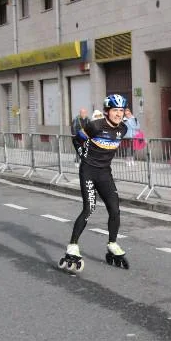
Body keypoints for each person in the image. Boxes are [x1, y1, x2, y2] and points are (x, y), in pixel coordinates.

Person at [58, 94, 131, 273]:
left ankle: (112, 243)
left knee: (115, 209)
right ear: (107, 111)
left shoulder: (123, 129)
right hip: (88, 172)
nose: (118, 114)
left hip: (105, 173)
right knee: (89, 208)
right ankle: (72, 246)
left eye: (121, 111)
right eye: (115, 110)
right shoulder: (96, 126)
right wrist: (82, 155)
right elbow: (77, 139)